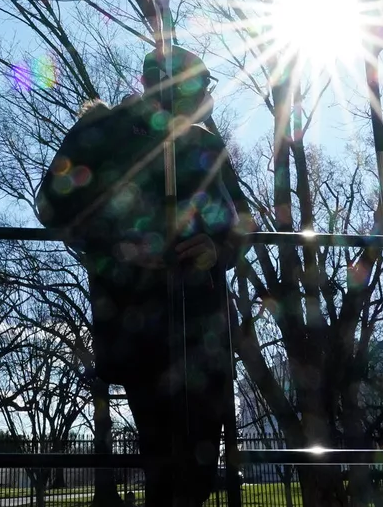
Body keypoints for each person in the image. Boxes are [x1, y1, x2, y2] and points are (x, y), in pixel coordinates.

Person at [35, 48, 246, 507]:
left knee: (202, 466)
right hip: (136, 319)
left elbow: (243, 224)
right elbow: (52, 203)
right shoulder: (105, 133)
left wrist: (217, 249)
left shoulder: (207, 146)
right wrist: (121, 241)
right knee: (164, 461)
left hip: (203, 326)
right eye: (195, 92)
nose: (202, 103)